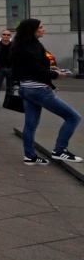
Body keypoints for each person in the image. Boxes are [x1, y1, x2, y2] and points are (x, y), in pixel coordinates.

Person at [12, 19, 81, 165]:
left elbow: (28, 68)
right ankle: (59, 151)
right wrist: (56, 74)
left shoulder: (20, 45)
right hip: (38, 90)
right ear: (32, 30)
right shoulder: (33, 47)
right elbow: (37, 70)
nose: (44, 29)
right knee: (73, 117)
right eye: (41, 27)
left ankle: (30, 156)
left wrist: (50, 69)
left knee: (30, 125)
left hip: (25, 88)